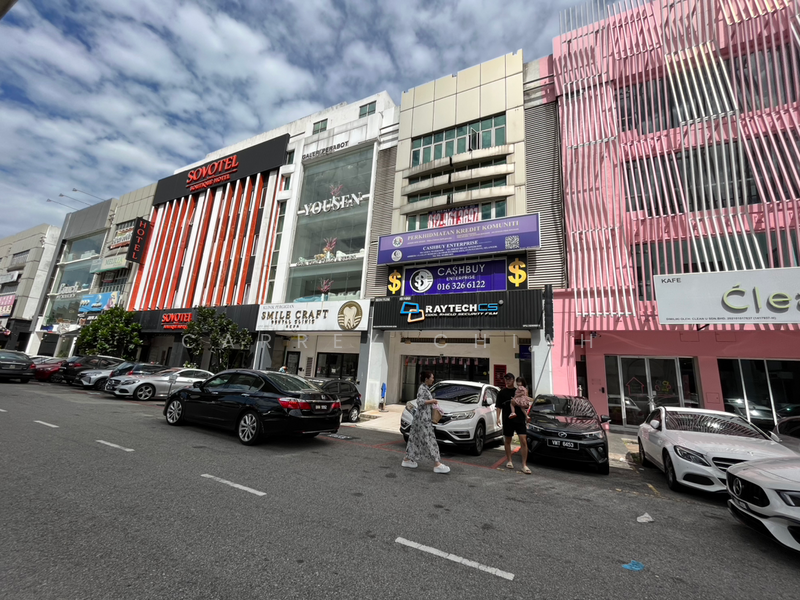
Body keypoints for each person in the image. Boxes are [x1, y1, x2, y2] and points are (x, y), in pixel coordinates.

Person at [402, 371, 450, 474]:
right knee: (429, 440)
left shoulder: (425, 388)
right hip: (423, 420)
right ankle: (437, 464)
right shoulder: (422, 388)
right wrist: (432, 401)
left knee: (414, 439)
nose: (433, 379)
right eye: (432, 377)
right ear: (426, 379)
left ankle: (407, 459)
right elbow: (419, 402)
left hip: (421, 419)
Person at [496, 372, 531, 474]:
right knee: (508, 440)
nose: (507, 381)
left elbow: (526, 404)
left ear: (513, 380)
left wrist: (521, 406)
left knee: (523, 441)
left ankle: (524, 465)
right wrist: (498, 418)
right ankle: (509, 461)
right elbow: (498, 406)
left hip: (519, 419)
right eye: (506, 379)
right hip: (508, 419)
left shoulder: (519, 390)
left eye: (509, 379)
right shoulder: (501, 393)